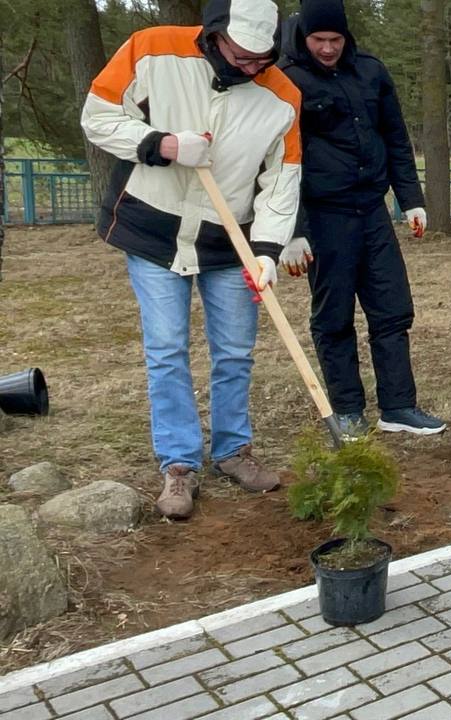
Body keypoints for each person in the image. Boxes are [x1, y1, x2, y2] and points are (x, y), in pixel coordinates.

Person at [81, 0, 300, 519]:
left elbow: (281, 182)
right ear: (216, 34)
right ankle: (179, 465)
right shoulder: (151, 48)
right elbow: (97, 116)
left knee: (235, 350)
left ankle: (232, 451)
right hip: (155, 230)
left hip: (230, 240)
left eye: (260, 60)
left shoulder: (282, 97)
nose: (249, 68)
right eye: (241, 56)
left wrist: (267, 251)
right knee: (166, 348)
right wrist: (161, 144)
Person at [274, 0, 444, 440]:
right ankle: (348, 410)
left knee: (392, 310)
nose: (328, 48)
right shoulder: (285, 80)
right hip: (325, 218)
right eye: (319, 40)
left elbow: (395, 136)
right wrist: (293, 231)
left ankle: (399, 406)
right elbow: (279, 161)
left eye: (336, 39)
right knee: (333, 319)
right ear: (304, 37)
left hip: (372, 212)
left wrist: (411, 199)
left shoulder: (371, 71)